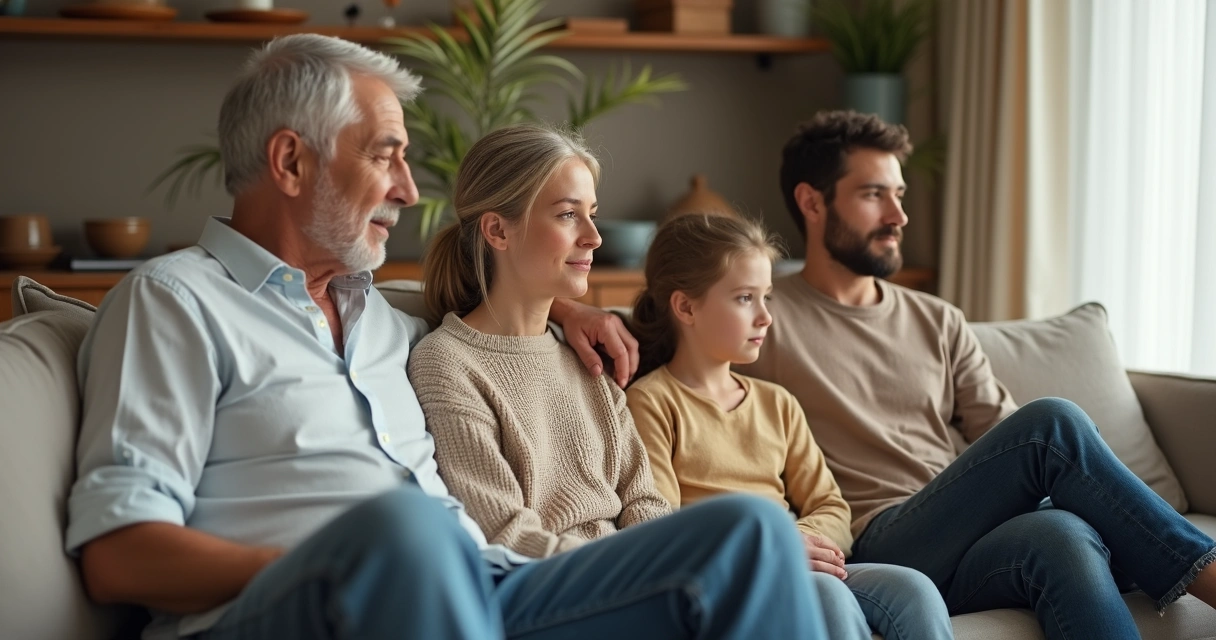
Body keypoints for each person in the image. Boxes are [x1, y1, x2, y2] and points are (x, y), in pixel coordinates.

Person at [64, 34, 828, 640]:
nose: (408, 189)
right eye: (383, 154)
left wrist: (570, 309)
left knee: (749, 531)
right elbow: (119, 553)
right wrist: (363, 557)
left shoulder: (385, 322)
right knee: (408, 528)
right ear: (291, 161)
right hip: (287, 609)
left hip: (481, 586)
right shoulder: (173, 303)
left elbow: (493, 315)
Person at [735, 109, 1216, 639]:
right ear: (812, 202)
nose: (899, 215)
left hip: (966, 534)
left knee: (1060, 534)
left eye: (900, 195)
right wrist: (623, 329)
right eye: (874, 195)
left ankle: (1140, 551)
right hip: (877, 541)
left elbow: (1003, 439)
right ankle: (1203, 571)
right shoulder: (763, 318)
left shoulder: (936, 319)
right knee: (1052, 425)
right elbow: (675, 325)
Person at [626, 213, 954, 640]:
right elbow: (663, 527)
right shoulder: (652, 402)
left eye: (767, 297)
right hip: (727, 576)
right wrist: (773, 549)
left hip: (796, 561)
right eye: (745, 298)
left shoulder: (777, 403)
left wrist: (799, 540)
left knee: (916, 589)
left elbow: (832, 507)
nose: (765, 317)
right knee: (827, 595)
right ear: (686, 306)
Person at [408, 123, 671, 558]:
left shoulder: (584, 359)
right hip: (556, 590)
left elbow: (644, 502)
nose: (594, 237)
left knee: (819, 585)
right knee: (756, 527)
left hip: (638, 579)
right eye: (568, 214)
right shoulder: (447, 365)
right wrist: (649, 567)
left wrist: (676, 559)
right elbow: (505, 534)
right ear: (498, 231)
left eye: (592, 213)